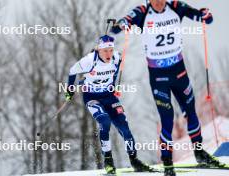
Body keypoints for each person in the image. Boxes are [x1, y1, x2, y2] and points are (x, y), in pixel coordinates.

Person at [111, 0, 224, 176]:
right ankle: (168, 163)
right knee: (167, 119)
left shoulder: (176, 7)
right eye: (154, 0)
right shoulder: (142, 12)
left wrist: (205, 15)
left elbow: (202, 17)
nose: (158, 3)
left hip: (179, 72)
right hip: (158, 76)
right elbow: (119, 26)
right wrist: (120, 24)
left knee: (191, 112)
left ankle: (200, 153)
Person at [65, 35, 154, 174]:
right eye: (105, 50)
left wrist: (112, 86)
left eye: (110, 50)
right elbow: (72, 71)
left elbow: (115, 72)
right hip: (92, 97)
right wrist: (69, 91)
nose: (108, 54)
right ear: (99, 50)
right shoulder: (89, 61)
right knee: (105, 121)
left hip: (109, 97)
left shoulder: (117, 57)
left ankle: (135, 160)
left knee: (124, 128)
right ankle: (108, 161)